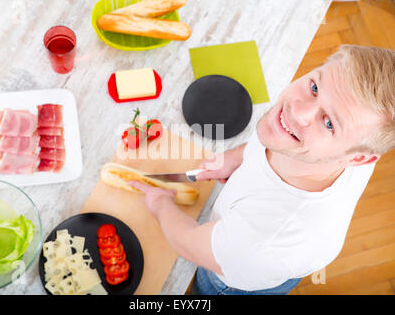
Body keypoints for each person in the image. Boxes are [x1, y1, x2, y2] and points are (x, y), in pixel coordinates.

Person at [128, 45, 395, 295]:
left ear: (358, 160)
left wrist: (161, 204)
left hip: (233, 283)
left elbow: (189, 243)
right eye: (314, 86)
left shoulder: (265, 241)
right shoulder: (339, 142)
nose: (297, 110)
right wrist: (237, 156)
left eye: (328, 124)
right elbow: (273, 136)